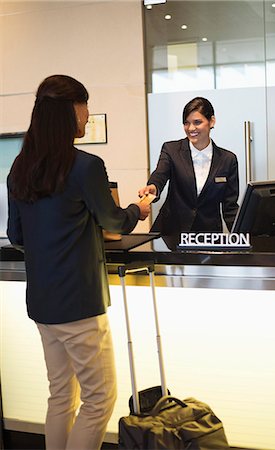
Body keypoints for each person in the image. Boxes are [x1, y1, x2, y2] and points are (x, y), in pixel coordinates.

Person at [6, 74, 150, 450]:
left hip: (42, 305)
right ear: (70, 111)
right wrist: (139, 209)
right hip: (80, 307)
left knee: (60, 396)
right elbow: (113, 221)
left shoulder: (20, 167)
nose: (87, 115)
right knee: (99, 399)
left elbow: (18, 235)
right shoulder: (85, 166)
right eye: (84, 105)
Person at [139, 97, 239, 236]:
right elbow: (160, 174)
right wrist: (153, 187)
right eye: (186, 123)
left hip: (208, 235)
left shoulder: (228, 160)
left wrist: (245, 238)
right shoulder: (171, 150)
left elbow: (230, 207)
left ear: (211, 121)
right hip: (171, 233)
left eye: (197, 122)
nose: (191, 128)